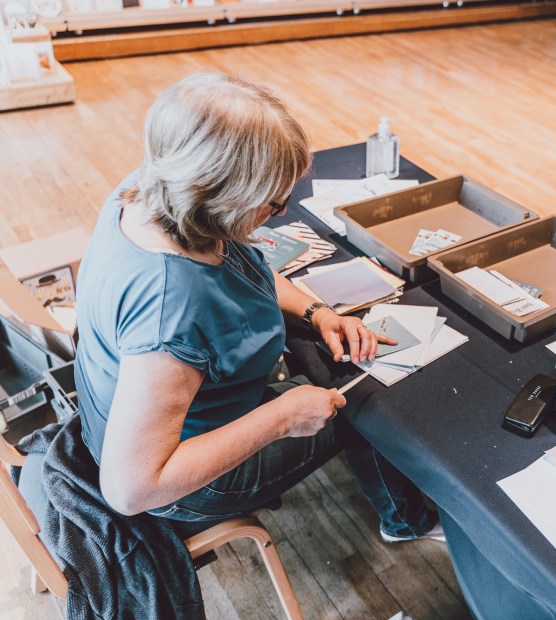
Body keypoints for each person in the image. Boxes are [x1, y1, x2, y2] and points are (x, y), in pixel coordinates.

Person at [74, 73, 442, 543]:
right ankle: (406, 521)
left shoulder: (152, 188)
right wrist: (282, 418)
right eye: (272, 202)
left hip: (128, 417)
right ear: (220, 195)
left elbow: (245, 272)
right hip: (187, 482)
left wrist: (316, 314)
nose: (283, 213)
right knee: (364, 403)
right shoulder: (173, 308)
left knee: (326, 359)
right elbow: (132, 488)